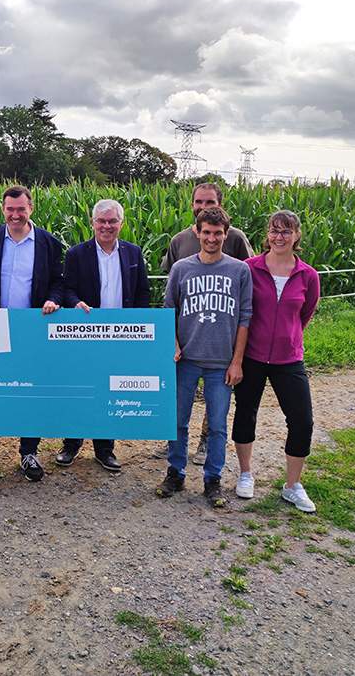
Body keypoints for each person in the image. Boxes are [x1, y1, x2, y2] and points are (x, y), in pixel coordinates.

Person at [0, 185, 64, 482]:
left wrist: (53, 300)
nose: (15, 214)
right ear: (3, 209)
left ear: (31, 209)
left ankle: (29, 451)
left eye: (21, 209)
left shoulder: (49, 243)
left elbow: (58, 282)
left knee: (32, 388)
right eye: (10, 209)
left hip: (33, 327)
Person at [157, 206, 252, 508]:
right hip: (186, 358)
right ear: (197, 232)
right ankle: (176, 472)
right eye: (206, 232)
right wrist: (173, 344)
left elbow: (245, 317)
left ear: (227, 233)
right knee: (178, 420)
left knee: (217, 424)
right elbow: (169, 309)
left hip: (221, 362)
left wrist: (237, 361)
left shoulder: (239, 270)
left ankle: (213, 479)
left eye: (218, 233)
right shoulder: (182, 268)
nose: (212, 238)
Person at [232, 210, 320, 512]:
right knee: (246, 414)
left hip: (289, 358)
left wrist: (287, 337)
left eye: (286, 231)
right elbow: (239, 311)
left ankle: (293, 485)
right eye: (274, 231)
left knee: (302, 421)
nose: (279, 237)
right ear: (266, 235)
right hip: (252, 355)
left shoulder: (308, 275)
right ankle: (245, 474)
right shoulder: (249, 268)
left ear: (296, 236)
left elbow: (304, 314)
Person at [57, 199, 151, 473]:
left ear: (121, 223)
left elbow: (143, 291)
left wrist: (135, 322)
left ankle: (104, 448)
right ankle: (71, 443)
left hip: (120, 336)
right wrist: (75, 303)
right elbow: (67, 290)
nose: (106, 226)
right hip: (86, 334)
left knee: (111, 388)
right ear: (93, 223)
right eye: (101, 221)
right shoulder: (76, 253)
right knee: (80, 386)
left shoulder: (133, 253)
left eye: (112, 221)